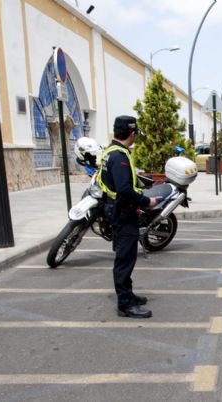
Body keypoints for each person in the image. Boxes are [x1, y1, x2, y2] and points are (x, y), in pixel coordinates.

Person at [96, 115, 158, 318]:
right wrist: (146, 201)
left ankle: (128, 295)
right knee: (124, 259)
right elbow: (124, 189)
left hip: (115, 209)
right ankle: (125, 304)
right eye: (135, 134)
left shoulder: (110, 152)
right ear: (131, 134)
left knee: (127, 257)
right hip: (122, 212)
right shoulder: (119, 157)